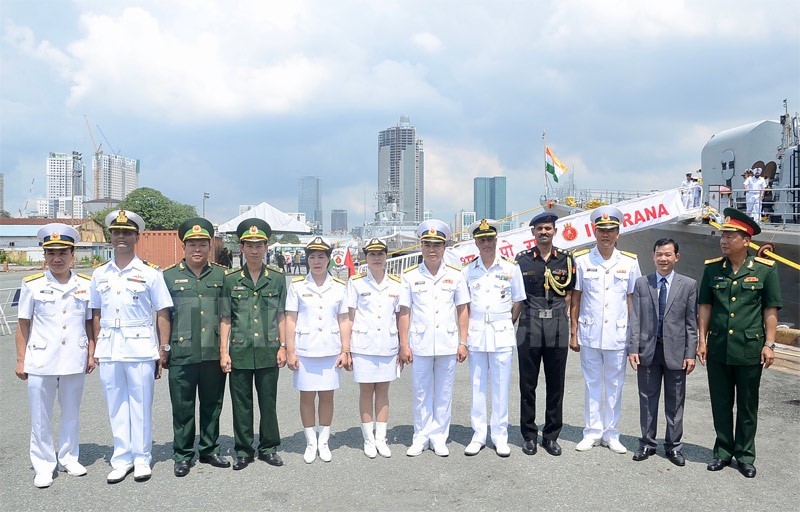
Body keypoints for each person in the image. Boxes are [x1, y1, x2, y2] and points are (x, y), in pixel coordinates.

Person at [697, 208, 781, 478]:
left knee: (747, 405)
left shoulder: (765, 270)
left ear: (746, 241)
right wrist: (702, 339)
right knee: (720, 403)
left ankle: (745, 455)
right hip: (719, 347)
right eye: (722, 235)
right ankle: (722, 451)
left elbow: (770, 310)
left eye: (730, 236)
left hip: (749, 349)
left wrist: (770, 344)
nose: (724, 240)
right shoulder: (712, 269)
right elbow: (706, 307)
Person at [90, 210, 172, 483]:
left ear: (137, 236)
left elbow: (162, 313)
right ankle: (121, 457)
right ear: (110, 237)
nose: (121, 237)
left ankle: (142, 457)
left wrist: (163, 349)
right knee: (115, 404)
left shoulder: (150, 273)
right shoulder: (99, 274)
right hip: (109, 347)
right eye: (117, 232)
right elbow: (96, 313)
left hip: (140, 347)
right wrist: (96, 347)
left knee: (140, 404)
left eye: (127, 232)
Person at [15, 224, 94, 488]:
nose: (57, 258)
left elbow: (89, 323)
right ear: (44, 256)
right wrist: (20, 359)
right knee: (40, 415)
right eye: (51, 253)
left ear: (73, 255)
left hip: (74, 356)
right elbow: (23, 324)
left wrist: (91, 353)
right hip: (41, 358)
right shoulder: (32, 285)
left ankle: (69, 457)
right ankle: (43, 464)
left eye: (62, 252)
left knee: (71, 411)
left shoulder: (85, 284)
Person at [570, 206, 641, 454]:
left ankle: (611, 433)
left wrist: (635, 337)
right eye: (601, 230)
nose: (606, 235)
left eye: (611, 230)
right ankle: (591, 432)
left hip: (619, 335)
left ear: (618, 233)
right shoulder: (582, 260)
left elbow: (633, 300)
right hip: (590, 333)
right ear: (594, 231)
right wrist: (573, 332)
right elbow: (576, 299)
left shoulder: (630, 262)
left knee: (614, 385)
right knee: (592, 384)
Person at [163, 218, 230, 477]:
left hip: (212, 351)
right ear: (184, 246)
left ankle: (209, 449)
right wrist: (163, 348)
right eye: (192, 244)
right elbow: (163, 316)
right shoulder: (168, 276)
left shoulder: (222, 275)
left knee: (212, 403)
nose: (198, 249)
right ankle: (182, 454)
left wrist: (225, 349)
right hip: (182, 352)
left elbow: (227, 315)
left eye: (203, 243)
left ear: (210, 245)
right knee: (182, 406)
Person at [398, 219, 470, 457]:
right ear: (421, 246)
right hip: (420, 343)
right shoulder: (409, 276)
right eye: (427, 244)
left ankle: (439, 436)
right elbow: (405, 311)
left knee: (444, 392)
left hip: (448, 342)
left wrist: (463, 342)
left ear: (444, 247)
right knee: (420, 392)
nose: (432, 249)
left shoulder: (456, 275)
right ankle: (420, 436)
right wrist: (404, 344)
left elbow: (462, 310)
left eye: (437, 245)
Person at [220, 219, 287, 471]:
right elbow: (225, 318)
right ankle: (244, 450)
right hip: (240, 350)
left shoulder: (278, 279)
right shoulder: (231, 279)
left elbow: (281, 314)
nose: (255, 250)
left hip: (269, 349)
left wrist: (284, 346)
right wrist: (223, 352)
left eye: (259, 245)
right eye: (249, 245)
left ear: (266, 247)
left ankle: (268, 447)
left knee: (268, 401)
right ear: (241, 248)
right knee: (241, 402)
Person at [627, 238, 698, 466]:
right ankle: (647, 443)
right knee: (647, 399)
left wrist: (690, 353)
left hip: (676, 352)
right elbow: (635, 318)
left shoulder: (688, 285)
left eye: (668, 254)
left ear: (676, 257)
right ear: (653, 256)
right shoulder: (642, 284)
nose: (663, 259)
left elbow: (691, 323)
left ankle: (674, 446)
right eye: (659, 254)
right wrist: (633, 348)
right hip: (648, 350)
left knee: (675, 401)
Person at [514, 212, 575, 457]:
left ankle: (551, 435)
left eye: (548, 228)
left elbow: (570, 294)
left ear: (554, 231)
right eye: (539, 229)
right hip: (529, 324)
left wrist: (570, 326)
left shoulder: (567, 261)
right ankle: (529, 434)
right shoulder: (522, 260)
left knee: (555, 384)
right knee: (527, 384)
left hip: (557, 325)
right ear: (532, 233)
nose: (544, 232)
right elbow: (517, 296)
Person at [462, 219, 525, 457]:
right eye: (481, 240)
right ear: (476, 243)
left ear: (496, 241)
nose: (486, 243)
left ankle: (500, 436)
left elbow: (518, 300)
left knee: (500, 387)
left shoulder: (510, 268)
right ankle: (478, 435)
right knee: (477, 386)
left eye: (490, 239)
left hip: (501, 333)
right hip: (477, 333)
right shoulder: (468, 271)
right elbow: (464, 305)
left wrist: (508, 322)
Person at [286, 237, 351, 463]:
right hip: (305, 350)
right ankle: (310, 442)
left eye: (321, 257)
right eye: (312, 257)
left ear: (329, 260)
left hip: (330, 349)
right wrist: (290, 351)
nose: (316, 261)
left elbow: (344, 320)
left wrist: (345, 350)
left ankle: (323, 441)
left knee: (327, 396)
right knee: (306, 397)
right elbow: (290, 319)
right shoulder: (297, 286)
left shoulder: (340, 287)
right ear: (306, 260)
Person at [347, 238, 403, 459]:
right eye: (372, 254)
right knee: (365, 392)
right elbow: (349, 317)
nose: (377, 258)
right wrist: (347, 349)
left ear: (386, 256)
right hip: (363, 346)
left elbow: (400, 317)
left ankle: (381, 438)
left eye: (380, 254)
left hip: (388, 345)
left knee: (383, 392)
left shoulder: (397, 283)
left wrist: (402, 345)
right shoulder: (356, 282)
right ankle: (368, 439)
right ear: (366, 258)